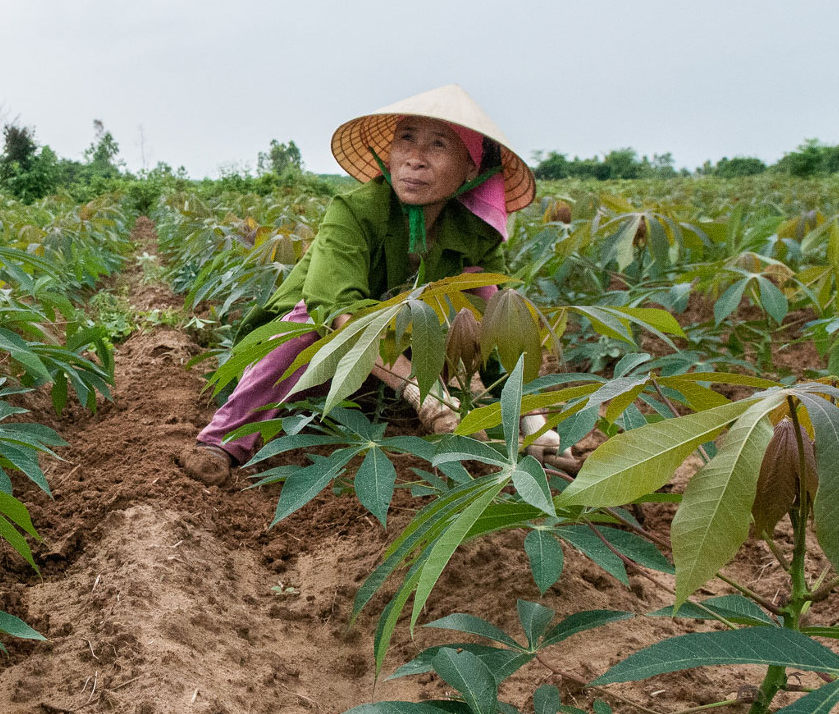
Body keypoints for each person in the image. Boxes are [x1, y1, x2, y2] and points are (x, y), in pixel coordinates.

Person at [179, 84, 563, 486]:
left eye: (438, 145)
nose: (415, 159)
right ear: (389, 151)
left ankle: (432, 416)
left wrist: (532, 421)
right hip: (303, 358)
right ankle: (222, 440)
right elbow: (336, 310)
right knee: (314, 316)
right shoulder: (355, 211)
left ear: (470, 168)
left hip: (383, 372)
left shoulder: (476, 234)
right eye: (407, 139)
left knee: (478, 291)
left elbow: (498, 325)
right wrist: (421, 393)